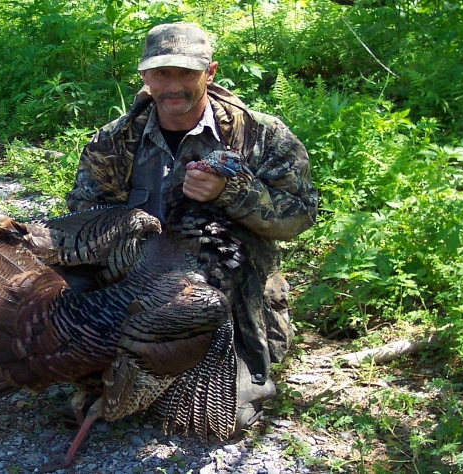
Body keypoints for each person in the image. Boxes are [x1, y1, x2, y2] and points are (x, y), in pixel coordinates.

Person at [66, 23, 318, 435]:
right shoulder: (112, 141)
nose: (174, 85)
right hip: (134, 284)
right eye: (162, 73)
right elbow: (83, 218)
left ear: (210, 72)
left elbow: (299, 216)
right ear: (144, 76)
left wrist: (233, 194)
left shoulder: (261, 134)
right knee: (84, 394)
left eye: (186, 73)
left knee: (224, 417)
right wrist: (129, 236)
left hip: (224, 291)